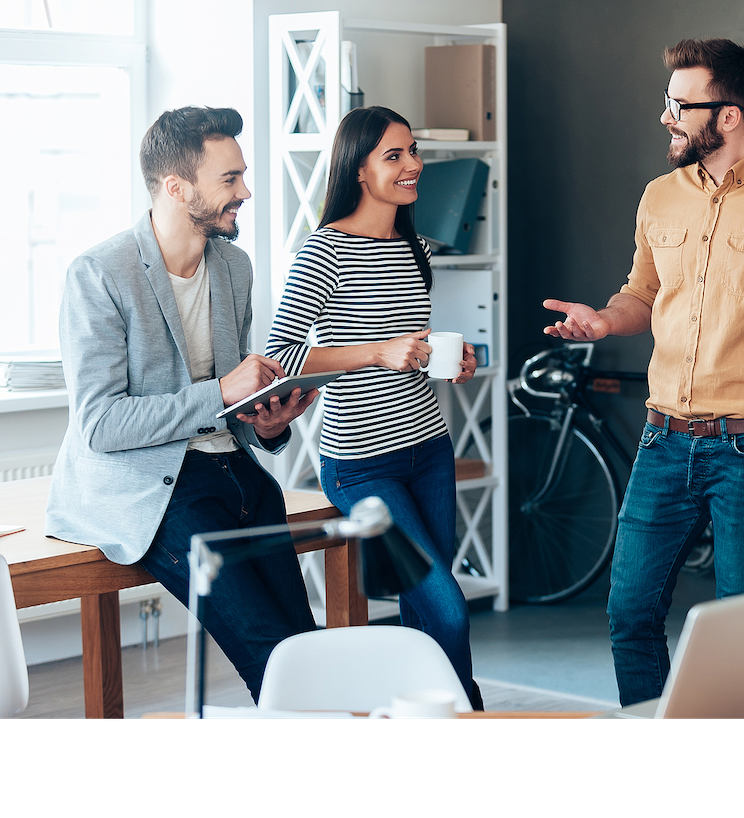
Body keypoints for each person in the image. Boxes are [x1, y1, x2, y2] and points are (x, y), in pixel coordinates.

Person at [543, 38, 744, 705]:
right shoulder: (660, 197)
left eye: (680, 105)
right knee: (630, 614)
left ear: (729, 116)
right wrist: (604, 321)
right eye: (667, 101)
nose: (665, 116)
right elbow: (641, 295)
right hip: (662, 439)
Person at [46, 106, 318, 703]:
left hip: (237, 474)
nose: (245, 192)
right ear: (176, 187)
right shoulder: (98, 274)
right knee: (273, 652)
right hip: (153, 487)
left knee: (307, 649)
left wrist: (268, 424)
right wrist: (222, 392)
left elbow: (233, 406)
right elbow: (101, 424)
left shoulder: (234, 267)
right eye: (230, 179)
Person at [265, 106, 483, 710]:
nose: (413, 164)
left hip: (429, 450)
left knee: (426, 612)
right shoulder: (323, 250)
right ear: (357, 169)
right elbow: (280, 356)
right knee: (447, 606)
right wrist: (377, 352)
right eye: (394, 155)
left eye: (413, 151)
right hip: (361, 464)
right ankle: (468, 711)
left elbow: (408, 343)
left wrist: (450, 359)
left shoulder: (417, 247)